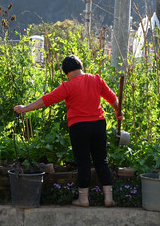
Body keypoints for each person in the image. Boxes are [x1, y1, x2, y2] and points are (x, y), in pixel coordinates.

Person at [14, 55, 123, 207]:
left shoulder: (68, 86)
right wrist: (118, 112)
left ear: (67, 72)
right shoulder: (96, 79)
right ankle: (108, 197)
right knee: (101, 160)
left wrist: (25, 108)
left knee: (83, 162)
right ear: (81, 66)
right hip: (98, 124)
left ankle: (83, 199)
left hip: (79, 126)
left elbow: (47, 100)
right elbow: (113, 99)